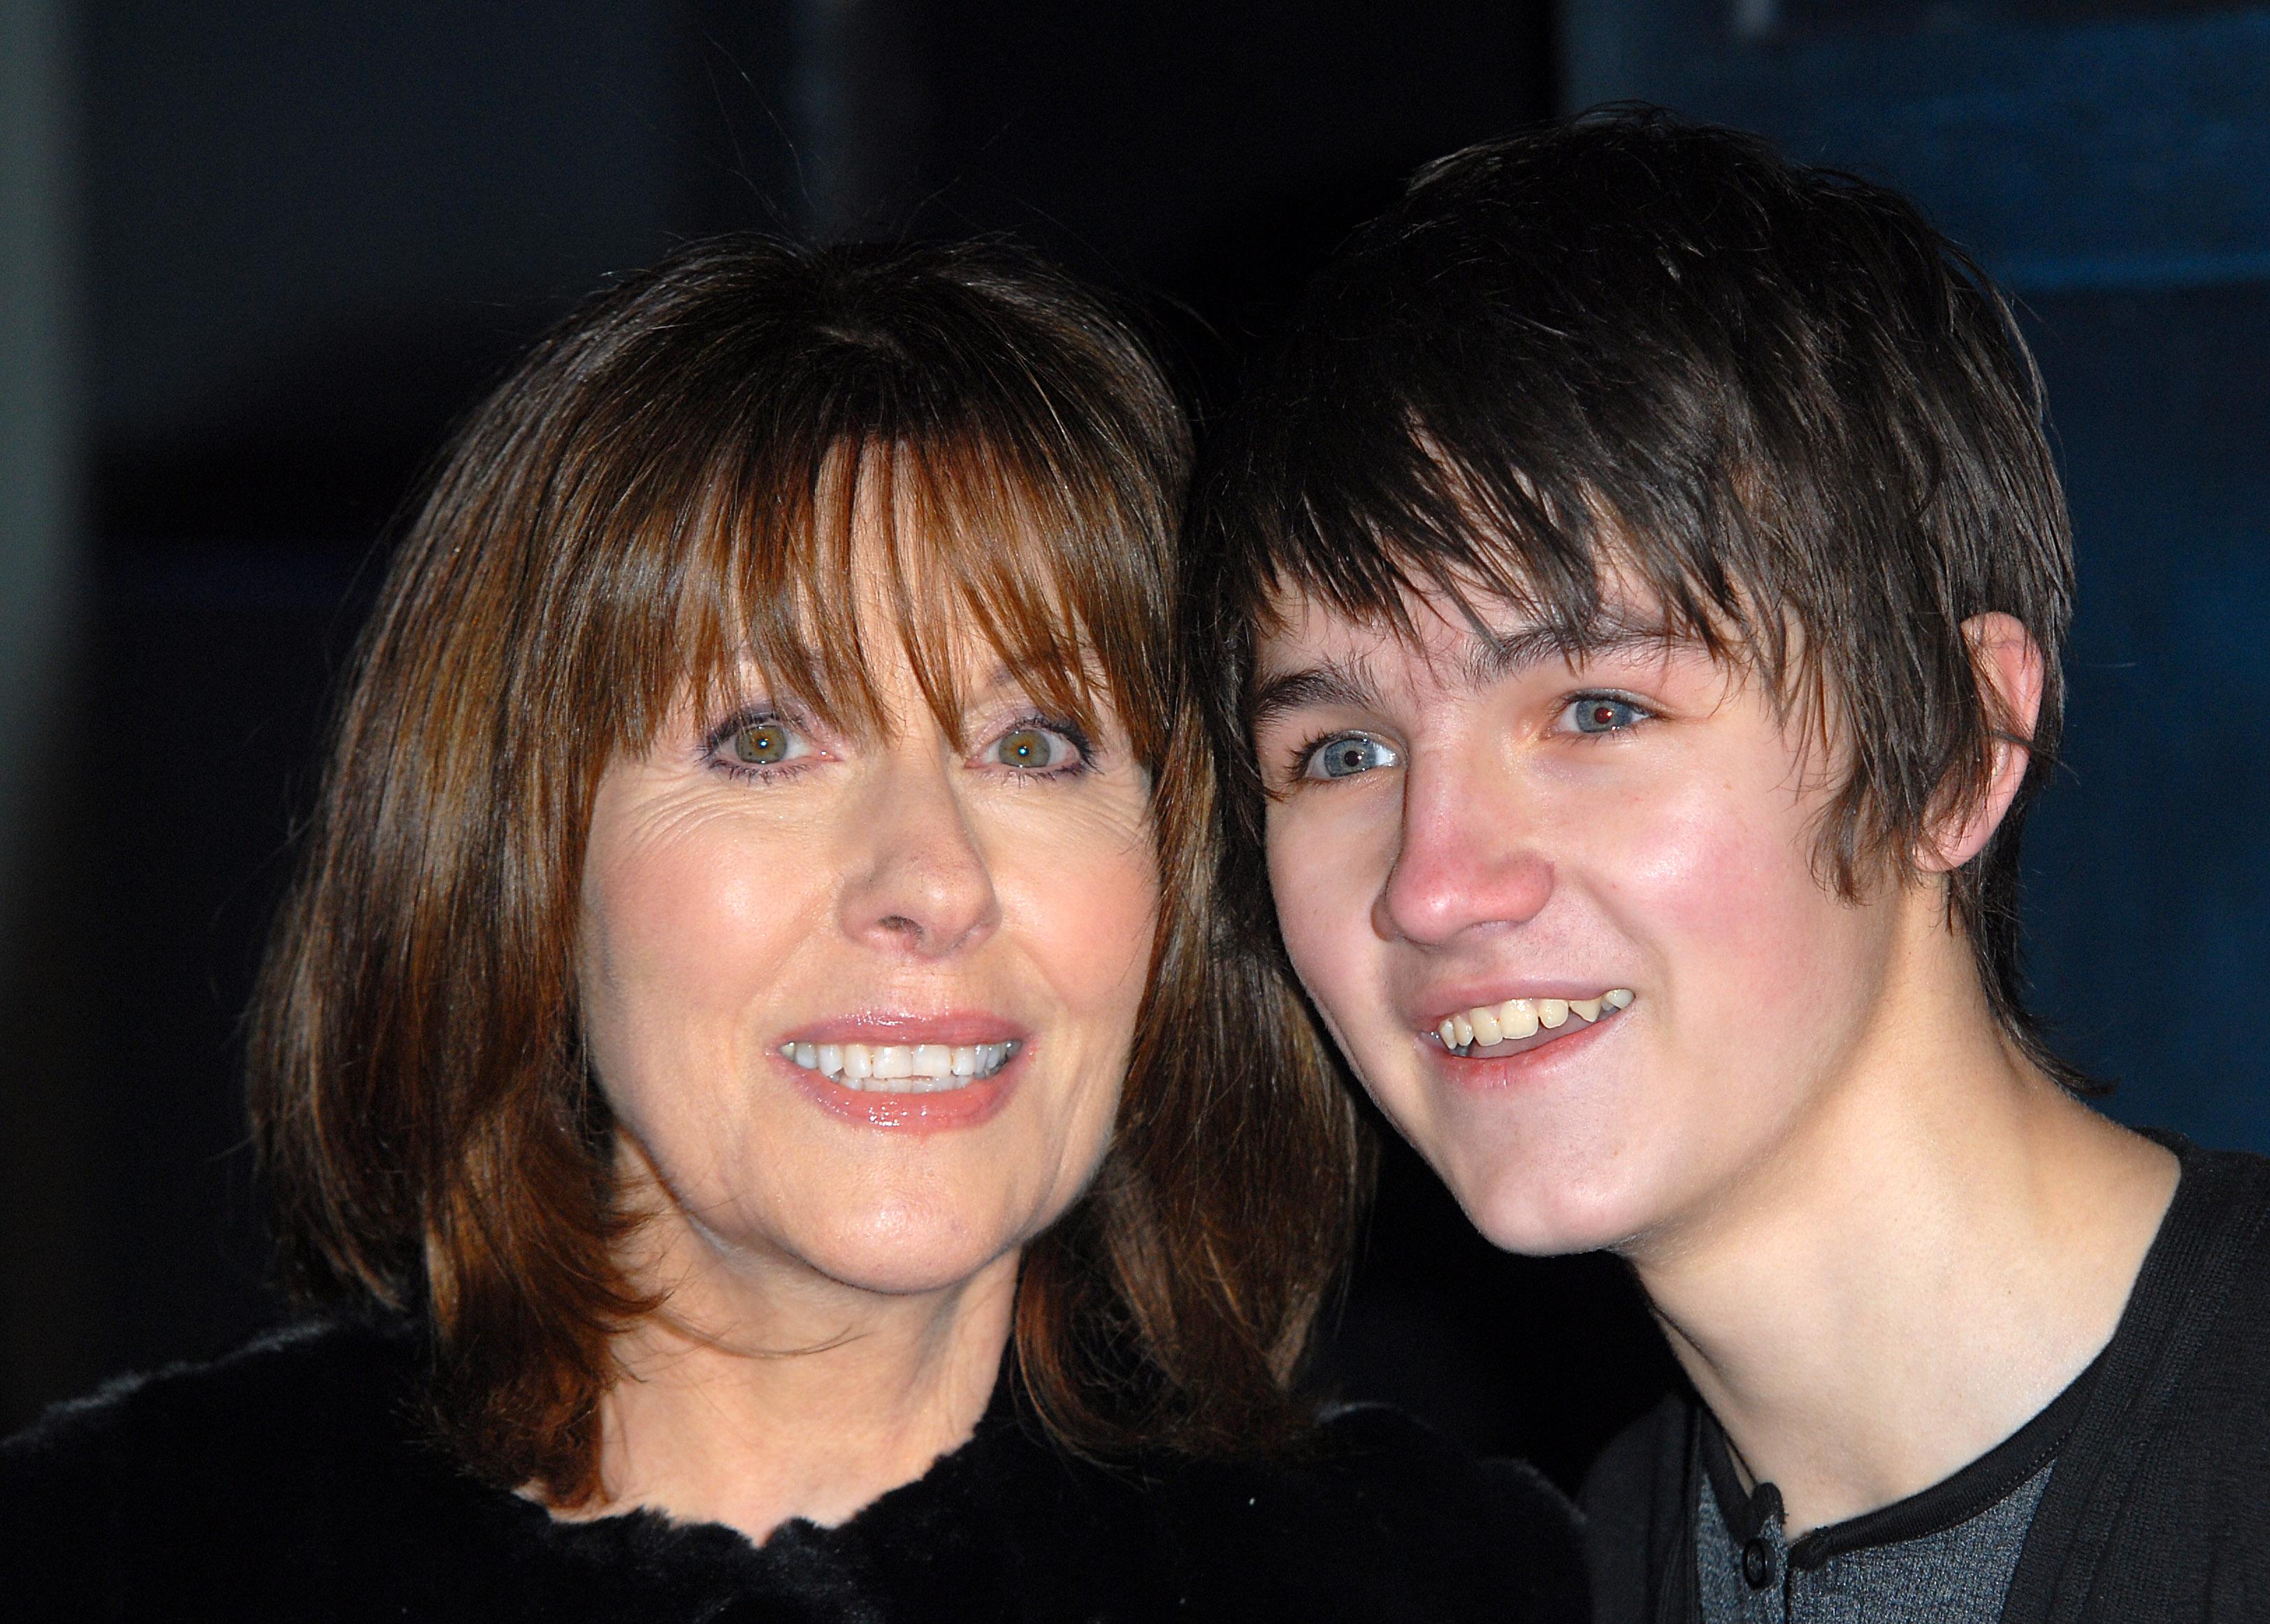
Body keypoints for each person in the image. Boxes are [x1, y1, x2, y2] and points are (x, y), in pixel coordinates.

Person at [0, 238, 1586, 1621]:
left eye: (1034, 747)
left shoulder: (1469, 1583)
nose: (930, 878)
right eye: (764, 743)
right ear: (521, 858)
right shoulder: (111, 1557)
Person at [1197, 110, 2270, 1624]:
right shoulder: (1557, 1569)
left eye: (1596, 710)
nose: (1431, 885)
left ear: (1957, 747)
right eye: (1344, 754)